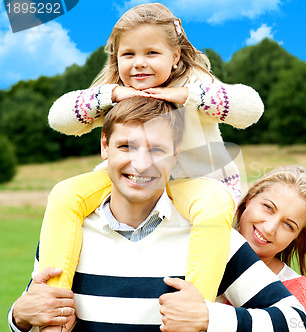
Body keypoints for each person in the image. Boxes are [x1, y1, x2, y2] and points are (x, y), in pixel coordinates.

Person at [8, 97, 306, 332]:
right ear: (105, 146)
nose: (140, 164)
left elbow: (297, 322)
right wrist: (18, 317)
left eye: (156, 151)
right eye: (126, 146)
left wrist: (209, 317)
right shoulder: (71, 233)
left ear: (175, 154)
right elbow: (34, 309)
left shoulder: (213, 239)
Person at [40, 1, 264, 309]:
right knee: (65, 194)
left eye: (151, 53)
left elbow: (251, 108)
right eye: (128, 54)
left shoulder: (193, 86)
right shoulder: (114, 94)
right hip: (129, 180)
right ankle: (53, 300)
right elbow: (58, 117)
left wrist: (189, 97)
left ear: (174, 56)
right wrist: (111, 95)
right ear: (116, 58)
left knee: (214, 203)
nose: (139, 63)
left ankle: (193, 305)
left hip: (194, 184)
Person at [233, 166, 306, 330]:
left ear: (297, 237)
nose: (270, 228)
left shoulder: (298, 294)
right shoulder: (193, 246)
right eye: (268, 207)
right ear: (249, 199)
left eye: (288, 225)